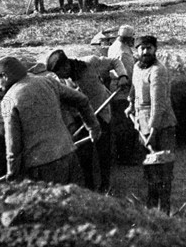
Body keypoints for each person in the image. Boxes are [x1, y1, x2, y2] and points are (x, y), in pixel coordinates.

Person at [0, 56, 101, 185]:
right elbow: (82, 99)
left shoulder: (8, 100)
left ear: (5, 76)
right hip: (69, 154)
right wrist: (93, 127)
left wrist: (13, 173)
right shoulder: (47, 82)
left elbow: (13, 143)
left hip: (43, 167)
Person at [46, 50, 129, 192]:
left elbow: (115, 61)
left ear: (66, 65)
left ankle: (105, 185)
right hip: (82, 118)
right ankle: (89, 187)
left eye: (59, 72)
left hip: (101, 112)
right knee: (84, 154)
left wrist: (122, 76)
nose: (59, 77)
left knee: (103, 151)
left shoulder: (90, 62)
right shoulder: (61, 79)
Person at [125, 36, 177, 214]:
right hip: (143, 123)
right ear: (136, 51)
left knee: (163, 169)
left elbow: (158, 103)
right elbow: (134, 87)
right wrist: (131, 103)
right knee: (150, 168)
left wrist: (153, 129)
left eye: (149, 48)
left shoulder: (157, 70)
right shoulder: (136, 67)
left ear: (155, 49)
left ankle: (164, 211)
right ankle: (152, 208)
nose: (145, 52)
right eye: (142, 49)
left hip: (162, 126)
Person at [107, 25, 140, 165]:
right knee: (126, 126)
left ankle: (123, 156)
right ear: (128, 38)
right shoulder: (124, 53)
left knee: (121, 126)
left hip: (115, 91)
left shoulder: (113, 46)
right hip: (123, 94)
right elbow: (129, 74)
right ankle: (126, 158)